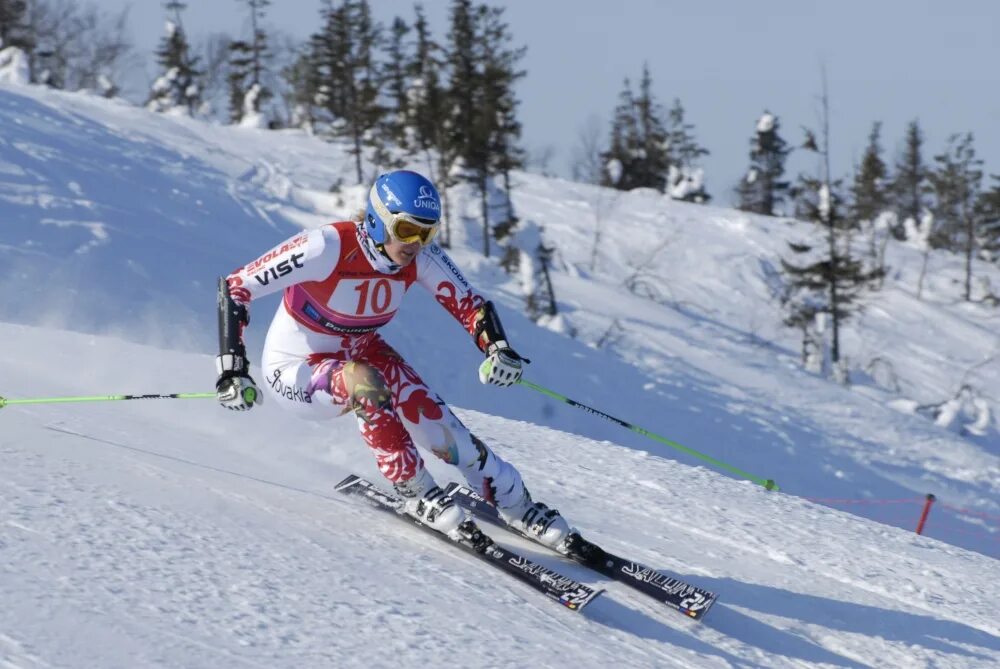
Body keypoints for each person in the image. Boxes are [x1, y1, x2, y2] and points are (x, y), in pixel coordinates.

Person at [214, 169, 570, 548]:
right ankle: (415, 490)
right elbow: (236, 287)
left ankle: (516, 502)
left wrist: (497, 348)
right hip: (296, 371)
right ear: (377, 221)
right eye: (406, 230)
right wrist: (232, 369)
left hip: (362, 353)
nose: (416, 243)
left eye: (427, 233)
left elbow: (470, 305)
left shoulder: (421, 258)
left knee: (442, 428)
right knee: (363, 380)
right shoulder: (326, 246)